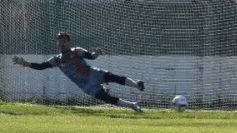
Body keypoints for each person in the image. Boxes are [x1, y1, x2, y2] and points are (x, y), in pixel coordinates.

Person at [13, 32, 145, 111]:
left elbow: (91, 56)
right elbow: (41, 66)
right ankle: (132, 105)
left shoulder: (77, 51)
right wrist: (24, 63)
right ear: (57, 44)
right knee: (108, 99)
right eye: (60, 41)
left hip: (93, 74)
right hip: (86, 86)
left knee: (114, 77)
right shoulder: (57, 59)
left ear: (69, 42)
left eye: (64, 41)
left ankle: (136, 84)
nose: (62, 43)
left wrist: (96, 53)